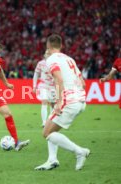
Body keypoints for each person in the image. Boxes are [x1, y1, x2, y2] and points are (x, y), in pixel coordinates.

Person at [35, 34, 89, 171]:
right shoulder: (69, 59)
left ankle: (80, 152)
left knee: (46, 133)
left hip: (68, 101)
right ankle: (52, 160)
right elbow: (82, 82)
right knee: (50, 128)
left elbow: (59, 79)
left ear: (48, 45)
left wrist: (59, 102)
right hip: (80, 100)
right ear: (61, 46)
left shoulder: (51, 59)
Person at [33, 51, 56, 127]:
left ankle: (50, 121)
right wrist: (34, 86)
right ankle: (44, 122)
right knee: (44, 101)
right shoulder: (41, 63)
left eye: (49, 53)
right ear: (44, 55)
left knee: (53, 104)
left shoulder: (56, 63)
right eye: (46, 53)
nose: (48, 55)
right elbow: (36, 74)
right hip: (43, 85)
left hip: (53, 86)